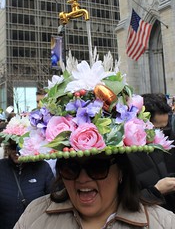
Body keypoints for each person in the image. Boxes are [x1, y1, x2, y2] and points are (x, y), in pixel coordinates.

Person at [13, 55, 175, 228]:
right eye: (70, 168)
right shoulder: (34, 217)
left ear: (120, 171)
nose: (83, 179)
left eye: (98, 168)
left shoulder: (163, 223)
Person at [0, 116, 55, 229]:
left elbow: (54, 202)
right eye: (12, 146)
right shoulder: (1, 167)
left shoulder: (42, 168)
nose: (16, 151)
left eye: (20, 146)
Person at [128, 93, 175, 213]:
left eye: (165, 128)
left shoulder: (159, 144)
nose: (162, 133)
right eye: (157, 129)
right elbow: (123, 203)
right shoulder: (125, 154)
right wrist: (156, 191)